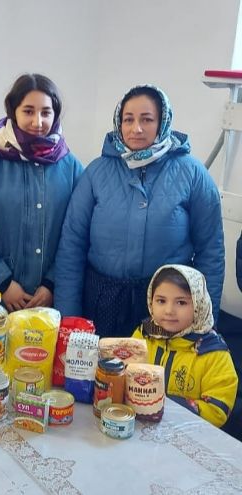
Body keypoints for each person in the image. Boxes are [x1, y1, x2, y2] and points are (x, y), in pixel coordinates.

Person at [54, 84, 224, 337]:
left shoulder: (193, 174)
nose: (136, 128)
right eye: (128, 119)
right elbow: (71, 247)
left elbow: (210, 252)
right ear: (118, 123)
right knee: (102, 363)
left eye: (147, 119)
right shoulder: (96, 173)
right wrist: (68, 320)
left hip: (166, 307)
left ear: (162, 122)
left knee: (156, 364)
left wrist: (203, 323)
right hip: (101, 301)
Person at [0, 73, 83, 322]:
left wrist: (51, 283)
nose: (38, 121)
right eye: (28, 111)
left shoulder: (71, 167)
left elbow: (77, 233)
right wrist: (3, 283)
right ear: (13, 111)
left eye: (46, 112)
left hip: (48, 303)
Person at [132, 264, 237, 428]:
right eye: (161, 301)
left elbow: (217, 409)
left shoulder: (213, 352)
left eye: (181, 302)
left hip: (188, 433)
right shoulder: (144, 334)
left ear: (198, 305)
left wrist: (166, 407)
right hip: (138, 426)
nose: (169, 310)